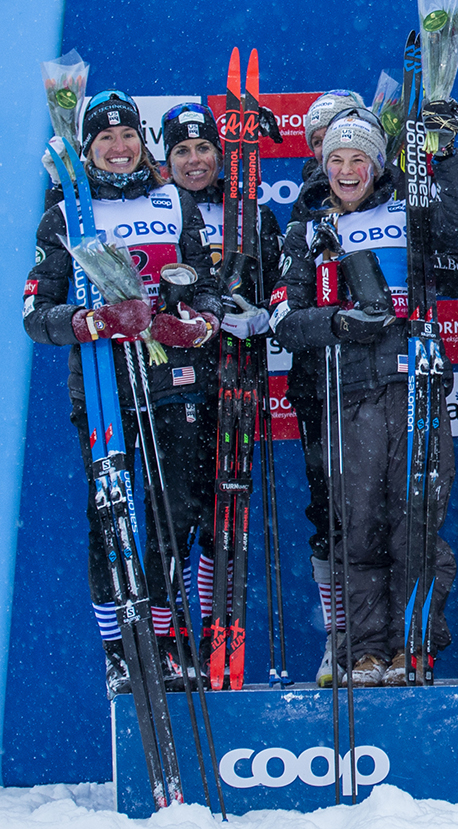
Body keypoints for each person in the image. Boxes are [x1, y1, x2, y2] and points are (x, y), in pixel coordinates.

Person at [269, 105, 458, 685]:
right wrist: (338, 323)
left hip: (415, 383)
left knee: (415, 522)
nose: (347, 169)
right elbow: (284, 315)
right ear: (322, 164)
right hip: (349, 390)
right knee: (357, 524)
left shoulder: (410, 209)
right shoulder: (309, 229)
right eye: (336, 158)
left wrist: (442, 151)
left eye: (359, 157)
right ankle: (364, 651)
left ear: (377, 164)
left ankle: (414, 644)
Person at [23, 89, 222, 695]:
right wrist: (91, 323)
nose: (118, 147)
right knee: (110, 516)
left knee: (176, 510)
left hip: (170, 380)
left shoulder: (175, 201)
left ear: (144, 142)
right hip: (104, 385)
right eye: (105, 138)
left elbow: (207, 288)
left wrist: (192, 322)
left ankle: (165, 635)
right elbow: (37, 311)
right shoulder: (66, 214)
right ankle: (118, 647)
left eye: (128, 135)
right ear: (87, 149)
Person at [159, 101, 285, 675]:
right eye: (181, 150)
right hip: (177, 375)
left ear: (220, 153)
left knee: (223, 511)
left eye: (203, 148)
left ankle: (215, 625)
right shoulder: (161, 210)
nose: (194, 160)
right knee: (178, 509)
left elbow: (280, 280)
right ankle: (173, 625)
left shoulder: (251, 213)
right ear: (166, 159)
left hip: (234, 375)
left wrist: (262, 312)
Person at [279, 88, 367, 684]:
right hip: (318, 383)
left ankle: (377, 637)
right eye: (319, 143)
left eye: (343, 141)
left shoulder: (385, 201)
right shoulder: (300, 219)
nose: (331, 158)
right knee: (329, 511)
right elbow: (286, 313)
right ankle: (340, 634)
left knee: (379, 512)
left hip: (378, 381)